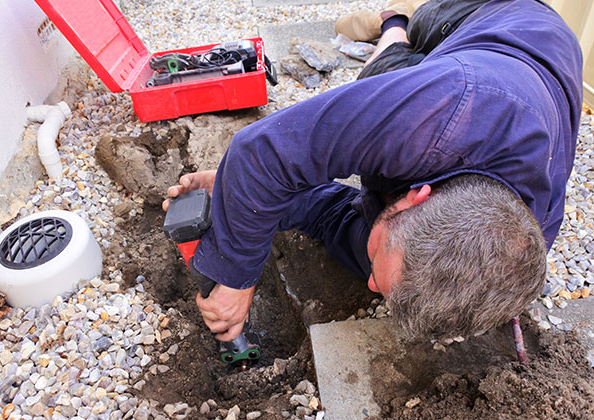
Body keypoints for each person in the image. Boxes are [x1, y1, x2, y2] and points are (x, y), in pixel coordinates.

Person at [162, 0, 583, 342]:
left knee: (371, 259)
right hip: (499, 14)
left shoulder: (527, 241)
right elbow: (262, 150)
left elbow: (343, 225)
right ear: (414, 197)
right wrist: (236, 273)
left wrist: (249, 198)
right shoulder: (430, 115)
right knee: (389, 61)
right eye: (382, 264)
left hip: (541, 65)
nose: (371, 290)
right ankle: (394, 22)